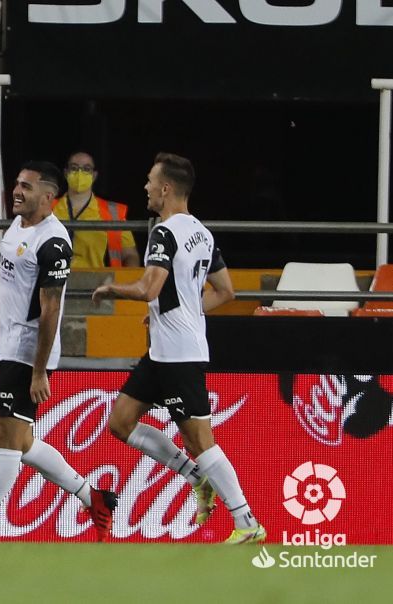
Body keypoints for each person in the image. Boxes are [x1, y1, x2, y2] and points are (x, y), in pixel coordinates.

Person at [0, 161, 118, 542]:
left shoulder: (53, 243)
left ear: (48, 197)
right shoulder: (17, 227)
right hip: (8, 346)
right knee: (22, 442)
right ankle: (93, 497)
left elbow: (50, 310)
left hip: (29, 354)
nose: (16, 191)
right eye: (17, 184)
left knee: (6, 438)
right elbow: (13, 290)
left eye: (26, 186)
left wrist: (38, 371)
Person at [92, 152, 265, 544]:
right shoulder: (202, 232)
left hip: (179, 354)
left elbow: (148, 288)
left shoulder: (164, 232)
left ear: (166, 188)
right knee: (120, 422)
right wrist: (178, 312)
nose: (146, 187)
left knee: (201, 442)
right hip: (164, 351)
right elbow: (226, 292)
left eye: (151, 180)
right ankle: (195, 478)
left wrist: (110, 288)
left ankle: (246, 521)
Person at [52, 151, 140, 268]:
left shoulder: (112, 212)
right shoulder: (48, 209)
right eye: (74, 168)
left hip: (98, 284)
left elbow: (130, 255)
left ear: (94, 175)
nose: (80, 173)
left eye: (86, 169)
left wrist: (125, 282)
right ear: (66, 172)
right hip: (53, 283)